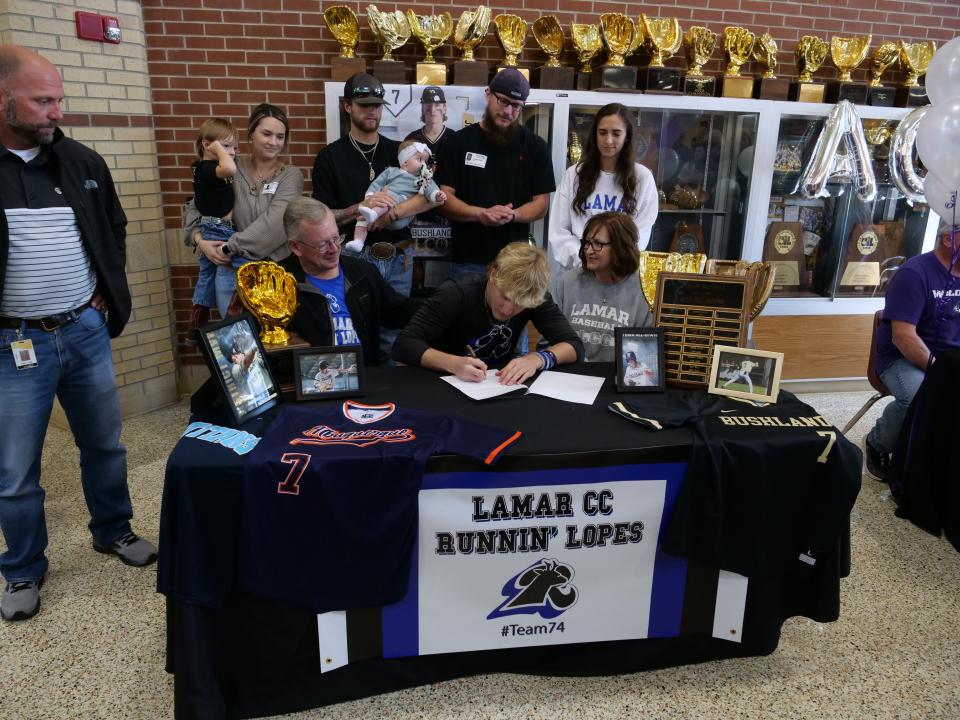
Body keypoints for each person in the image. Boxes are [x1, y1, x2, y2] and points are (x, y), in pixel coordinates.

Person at [0, 46, 156, 622]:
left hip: (84, 331)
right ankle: (21, 568)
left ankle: (113, 530)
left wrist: (101, 292)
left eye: (57, 98)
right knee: (15, 472)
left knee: (105, 445)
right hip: (13, 345)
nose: (54, 111)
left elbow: (113, 225)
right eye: (42, 100)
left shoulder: (81, 162)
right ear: (3, 99)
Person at [312, 73, 431, 359]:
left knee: (395, 336)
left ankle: (393, 400)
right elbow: (322, 217)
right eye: (364, 104)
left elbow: (429, 196)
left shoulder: (400, 151)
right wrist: (360, 206)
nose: (372, 111)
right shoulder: (330, 157)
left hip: (398, 256)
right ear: (347, 106)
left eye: (377, 105)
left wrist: (391, 215)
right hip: (354, 258)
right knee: (353, 332)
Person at [393, 244, 584, 385]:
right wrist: (453, 363)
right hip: (441, 381)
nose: (508, 309)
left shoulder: (533, 295)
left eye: (520, 305)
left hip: (494, 385)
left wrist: (537, 359)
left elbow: (574, 346)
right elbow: (404, 345)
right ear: (493, 275)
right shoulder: (457, 293)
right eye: (505, 296)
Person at [183, 103, 303, 316]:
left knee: (275, 344)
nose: (273, 142)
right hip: (230, 275)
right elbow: (197, 206)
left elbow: (275, 224)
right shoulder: (227, 167)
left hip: (274, 273)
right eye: (266, 133)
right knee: (237, 345)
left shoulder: (290, 175)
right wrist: (200, 241)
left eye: (280, 136)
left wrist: (229, 248)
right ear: (250, 134)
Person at [865, 219, 960, 482]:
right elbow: (904, 338)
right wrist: (941, 371)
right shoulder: (914, 274)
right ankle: (878, 444)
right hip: (902, 359)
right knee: (917, 395)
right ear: (949, 239)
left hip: (951, 359)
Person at [436, 68, 556, 277]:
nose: (509, 112)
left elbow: (541, 205)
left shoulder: (535, 146)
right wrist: (481, 214)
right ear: (488, 93)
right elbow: (443, 199)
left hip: (514, 263)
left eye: (516, 106)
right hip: (467, 261)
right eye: (503, 101)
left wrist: (512, 215)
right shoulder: (457, 142)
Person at [278, 197, 416, 364]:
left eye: (336, 238)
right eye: (323, 245)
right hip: (314, 381)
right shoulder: (276, 283)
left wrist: (446, 303)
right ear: (295, 247)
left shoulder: (362, 272)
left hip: (368, 376)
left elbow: (398, 312)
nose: (335, 249)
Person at [548, 102, 658, 272]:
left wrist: (611, 262)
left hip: (619, 274)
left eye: (616, 133)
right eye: (602, 132)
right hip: (578, 271)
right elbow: (559, 231)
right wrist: (585, 260)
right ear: (595, 135)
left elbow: (640, 234)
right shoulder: (574, 175)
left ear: (627, 136)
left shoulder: (642, 178)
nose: (608, 140)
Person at [550, 212, 649, 362]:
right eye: (587, 243)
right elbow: (547, 342)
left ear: (620, 246)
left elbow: (645, 353)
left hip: (617, 379)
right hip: (569, 375)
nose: (589, 250)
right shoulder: (567, 282)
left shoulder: (643, 291)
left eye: (598, 244)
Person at [188, 117, 241, 329]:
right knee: (237, 261)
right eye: (227, 146)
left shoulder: (202, 168)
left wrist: (220, 148)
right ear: (206, 145)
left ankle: (197, 320)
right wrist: (219, 150)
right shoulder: (208, 167)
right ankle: (233, 312)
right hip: (219, 227)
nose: (232, 153)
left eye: (235, 147)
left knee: (207, 273)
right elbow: (230, 169)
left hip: (210, 226)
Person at [345, 140, 446, 250]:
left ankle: (374, 213)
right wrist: (370, 197)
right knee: (362, 218)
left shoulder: (421, 177)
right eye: (419, 159)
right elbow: (377, 183)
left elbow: (430, 188)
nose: (424, 164)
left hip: (400, 212)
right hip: (381, 206)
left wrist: (437, 194)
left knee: (388, 197)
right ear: (405, 162)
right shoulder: (391, 171)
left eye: (425, 161)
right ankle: (358, 242)